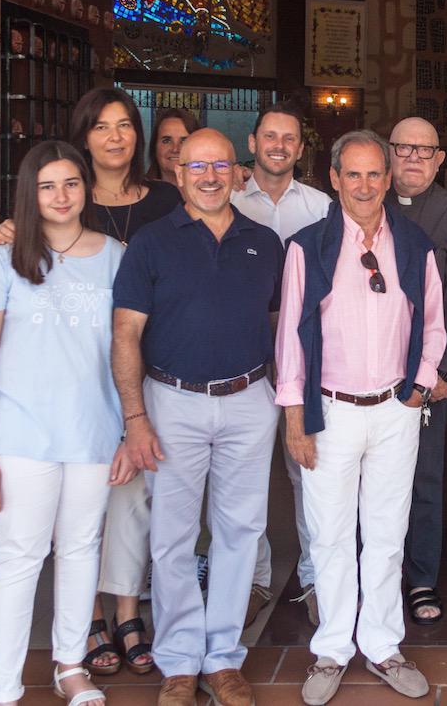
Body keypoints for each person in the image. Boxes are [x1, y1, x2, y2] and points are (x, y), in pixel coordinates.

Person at [0, 87, 181, 675]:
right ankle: (89, 623)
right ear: (83, 136)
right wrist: (10, 231)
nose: (116, 136)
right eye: (101, 126)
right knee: (77, 516)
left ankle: (126, 611)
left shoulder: (166, 199)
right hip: (69, 388)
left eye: (126, 125)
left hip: (142, 367)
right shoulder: (62, 199)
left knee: (132, 498)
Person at [113, 129, 284, 706]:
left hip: (248, 398)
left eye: (220, 165)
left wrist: (288, 399)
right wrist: (135, 417)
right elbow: (125, 334)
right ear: (178, 173)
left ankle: (224, 658)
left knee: (241, 532)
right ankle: (181, 661)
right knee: (173, 536)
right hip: (172, 402)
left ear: (239, 172)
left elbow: (282, 326)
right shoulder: (151, 244)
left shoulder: (266, 242)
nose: (209, 176)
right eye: (196, 166)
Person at [0, 141, 133, 706]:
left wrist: (131, 430)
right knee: (18, 558)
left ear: (87, 189)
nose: (61, 196)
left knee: (82, 549)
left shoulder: (117, 256)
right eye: (47, 186)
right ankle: (3, 687)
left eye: (71, 184)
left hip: (94, 433)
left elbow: (129, 351)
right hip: (21, 438)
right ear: (30, 194)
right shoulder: (1, 261)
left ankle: (70, 666)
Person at [276, 130, 445, 703]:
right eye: (354, 174)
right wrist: (296, 418)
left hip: (396, 409)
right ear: (334, 178)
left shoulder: (414, 244)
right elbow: (291, 340)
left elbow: (436, 323)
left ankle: (380, 643)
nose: (366, 185)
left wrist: (420, 388)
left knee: (386, 533)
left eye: (376, 174)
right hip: (331, 410)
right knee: (328, 535)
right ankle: (331, 648)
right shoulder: (308, 247)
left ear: (389, 177)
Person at [231, 101, 332, 628]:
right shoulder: (222, 201)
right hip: (241, 361)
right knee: (245, 476)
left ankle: (315, 576)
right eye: (269, 136)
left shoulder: (320, 208)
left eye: (288, 138)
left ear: (300, 147)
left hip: (303, 362)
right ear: (253, 143)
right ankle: (252, 578)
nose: (278, 145)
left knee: (305, 471)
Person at [387, 116, 447, 625]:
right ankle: (374, 574)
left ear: (440, 159)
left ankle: (421, 579)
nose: (415, 158)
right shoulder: (366, 202)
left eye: (426, 150)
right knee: (368, 480)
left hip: (427, 375)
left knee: (424, 477)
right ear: (389, 152)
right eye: (405, 148)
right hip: (367, 376)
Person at [146, 108, 199, 186]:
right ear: (154, 147)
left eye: (184, 141)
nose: (175, 149)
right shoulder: (138, 194)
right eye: (166, 141)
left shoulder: (212, 192)